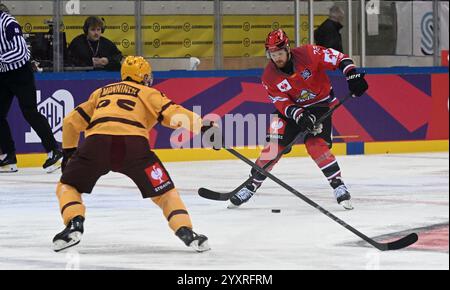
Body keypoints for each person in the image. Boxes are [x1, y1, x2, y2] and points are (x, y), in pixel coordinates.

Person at [52, 56, 211, 253]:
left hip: (96, 145)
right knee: (165, 193)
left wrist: (69, 153)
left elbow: (70, 122)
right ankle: (186, 231)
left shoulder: (101, 92)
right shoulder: (149, 93)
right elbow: (174, 113)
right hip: (133, 147)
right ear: (144, 77)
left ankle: (74, 224)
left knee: (68, 185)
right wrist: (204, 127)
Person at [228, 29, 368, 210]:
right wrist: (299, 115)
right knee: (273, 147)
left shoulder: (309, 53)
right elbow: (281, 103)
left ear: (287, 49)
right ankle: (251, 185)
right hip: (292, 111)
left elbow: (339, 58)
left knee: (315, 144)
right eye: (272, 54)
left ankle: (338, 184)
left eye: (279, 53)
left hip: (320, 105)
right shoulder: (269, 76)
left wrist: (352, 75)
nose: (277, 58)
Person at [0, 4, 62, 173]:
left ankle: (54, 151)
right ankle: (9, 157)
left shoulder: (8, 22)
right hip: (3, 74)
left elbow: (22, 52)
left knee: (30, 111)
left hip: (20, 73)